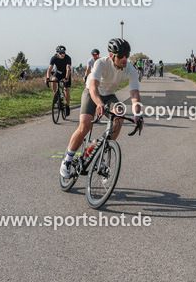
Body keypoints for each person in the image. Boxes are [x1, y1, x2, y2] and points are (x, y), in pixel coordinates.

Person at [61, 38, 143, 179]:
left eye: (127, 55)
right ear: (112, 56)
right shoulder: (101, 63)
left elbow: (135, 93)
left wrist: (138, 114)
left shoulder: (130, 69)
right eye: (121, 55)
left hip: (109, 95)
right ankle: (67, 160)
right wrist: (99, 103)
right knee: (85, 125)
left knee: (120, 115)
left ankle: (102, 153)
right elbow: (93, 87)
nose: (125, 59)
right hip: (93, 93)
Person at [47, 45, 72, 117]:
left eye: (63, 52)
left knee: (66, 91)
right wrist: (48, 78)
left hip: (66, 74)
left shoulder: (68, 58)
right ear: (57, 53)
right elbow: (49, 69)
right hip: (58, 73)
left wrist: (66, 78)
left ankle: (67, 106)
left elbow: (68, 68)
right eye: (61, 53)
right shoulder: (54, 58)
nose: (62, 54)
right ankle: (56, 95)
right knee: (53, 80)